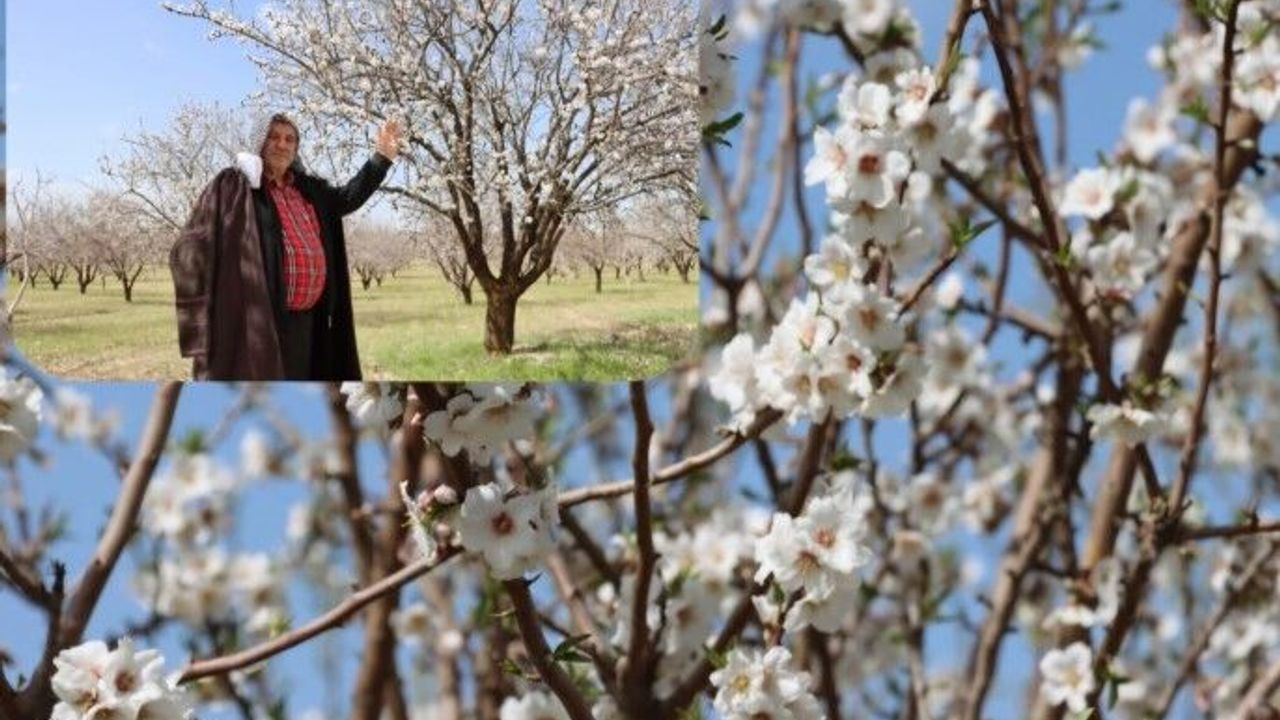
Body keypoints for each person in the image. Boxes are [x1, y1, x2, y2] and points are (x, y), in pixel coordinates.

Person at [169, 113, 401, 380]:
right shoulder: (236, 188)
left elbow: (348, 197)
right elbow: (194, 241)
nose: (282, 144)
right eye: (274, 136)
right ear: (258, 142)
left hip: (309, 324)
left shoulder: (310, 191)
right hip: (260, 326)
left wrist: (381, 158)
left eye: (290, 139)